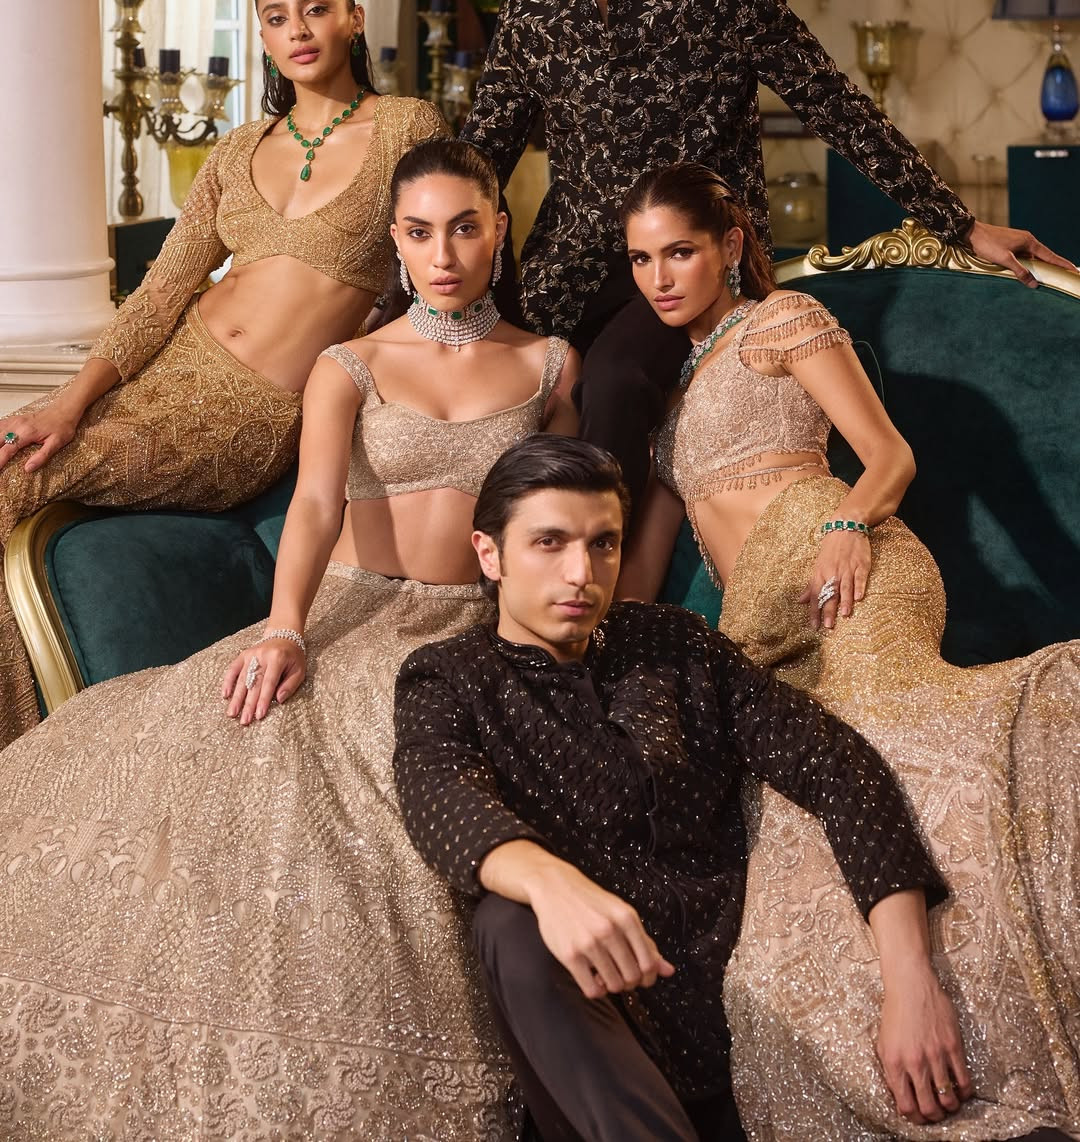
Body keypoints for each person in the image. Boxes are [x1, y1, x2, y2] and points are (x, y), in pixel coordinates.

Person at [0, 140, 578, 1138]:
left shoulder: (550, 364)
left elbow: (564, 519)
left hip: (470, 627)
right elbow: (314, 505)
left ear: (499, 229)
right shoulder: (353, 362)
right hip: (348, 608)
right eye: (420, 232)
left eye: (465, 228)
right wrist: (285, 629)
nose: (444, 254)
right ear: (395, 242)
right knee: (247, 750)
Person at [616, 162, 1079, 1139]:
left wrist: (844, 526)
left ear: (730, 246)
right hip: (758, 630)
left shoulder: (783, 322)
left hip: (846, 570)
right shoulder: (668, 405)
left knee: (892, 750)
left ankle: (968, 1020)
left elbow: (889, 457)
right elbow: (639, 582)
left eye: (680, 252)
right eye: (642, 259)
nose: (660, 277)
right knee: (790, 837)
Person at [459, 0, 1075, 512]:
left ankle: (598, 570)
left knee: (617, 381)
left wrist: (959, 224)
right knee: (486, 396)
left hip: (692, 270)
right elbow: (480, 161)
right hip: (564, 278)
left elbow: (838, 109)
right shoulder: (529, 14)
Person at [393, 433, 985, 1142]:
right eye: (549, 543)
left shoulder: (675, 644)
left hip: (746, 1015)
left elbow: (838, 767)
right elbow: (439, 794)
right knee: (508, 924)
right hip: (602, 1044)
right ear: (490, 555)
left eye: (604, 544)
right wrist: (551, 884)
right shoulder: (449, 677)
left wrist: (912, 981)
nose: (581, 573)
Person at [0, 0, 447, 749]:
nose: (298, 29)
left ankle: (18, 744)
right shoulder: (239, 148)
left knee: (15, 485)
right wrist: (69, 401)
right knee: (12, 462)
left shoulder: (406, 127)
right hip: (167, 365)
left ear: (353, 19)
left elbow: (440, 258)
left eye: (316, 8)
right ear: (263, 36)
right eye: (276, 17)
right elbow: (163, 291)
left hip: (245, 417)